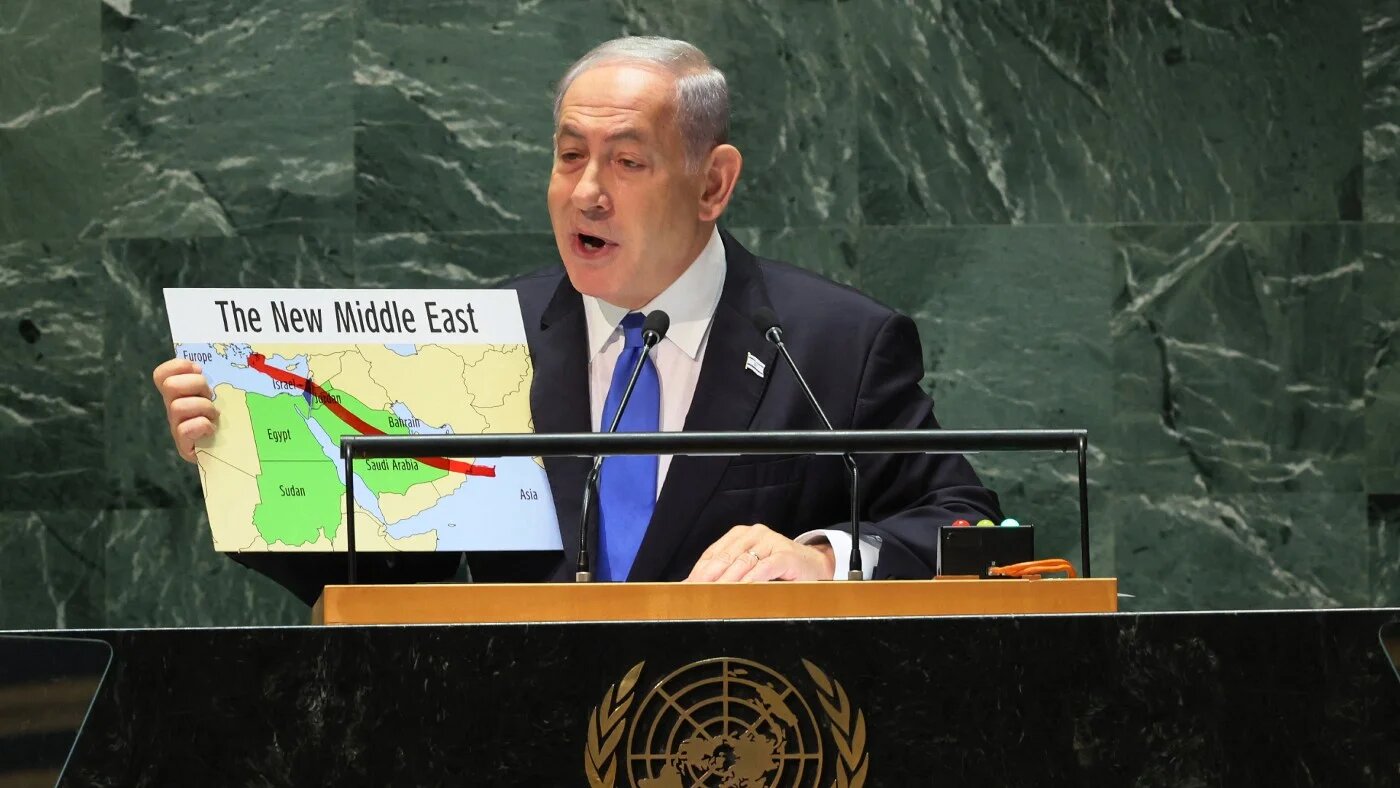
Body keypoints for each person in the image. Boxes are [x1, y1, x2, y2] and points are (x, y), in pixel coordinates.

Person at [153, 36, 1001, 604]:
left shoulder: (833, 343)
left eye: (626, 161)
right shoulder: (492, 338)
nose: (586, 191)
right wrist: (242, 459)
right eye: (569, 157)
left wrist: (821, 558)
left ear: (712, 184)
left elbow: (973, 527)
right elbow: (388, 572)